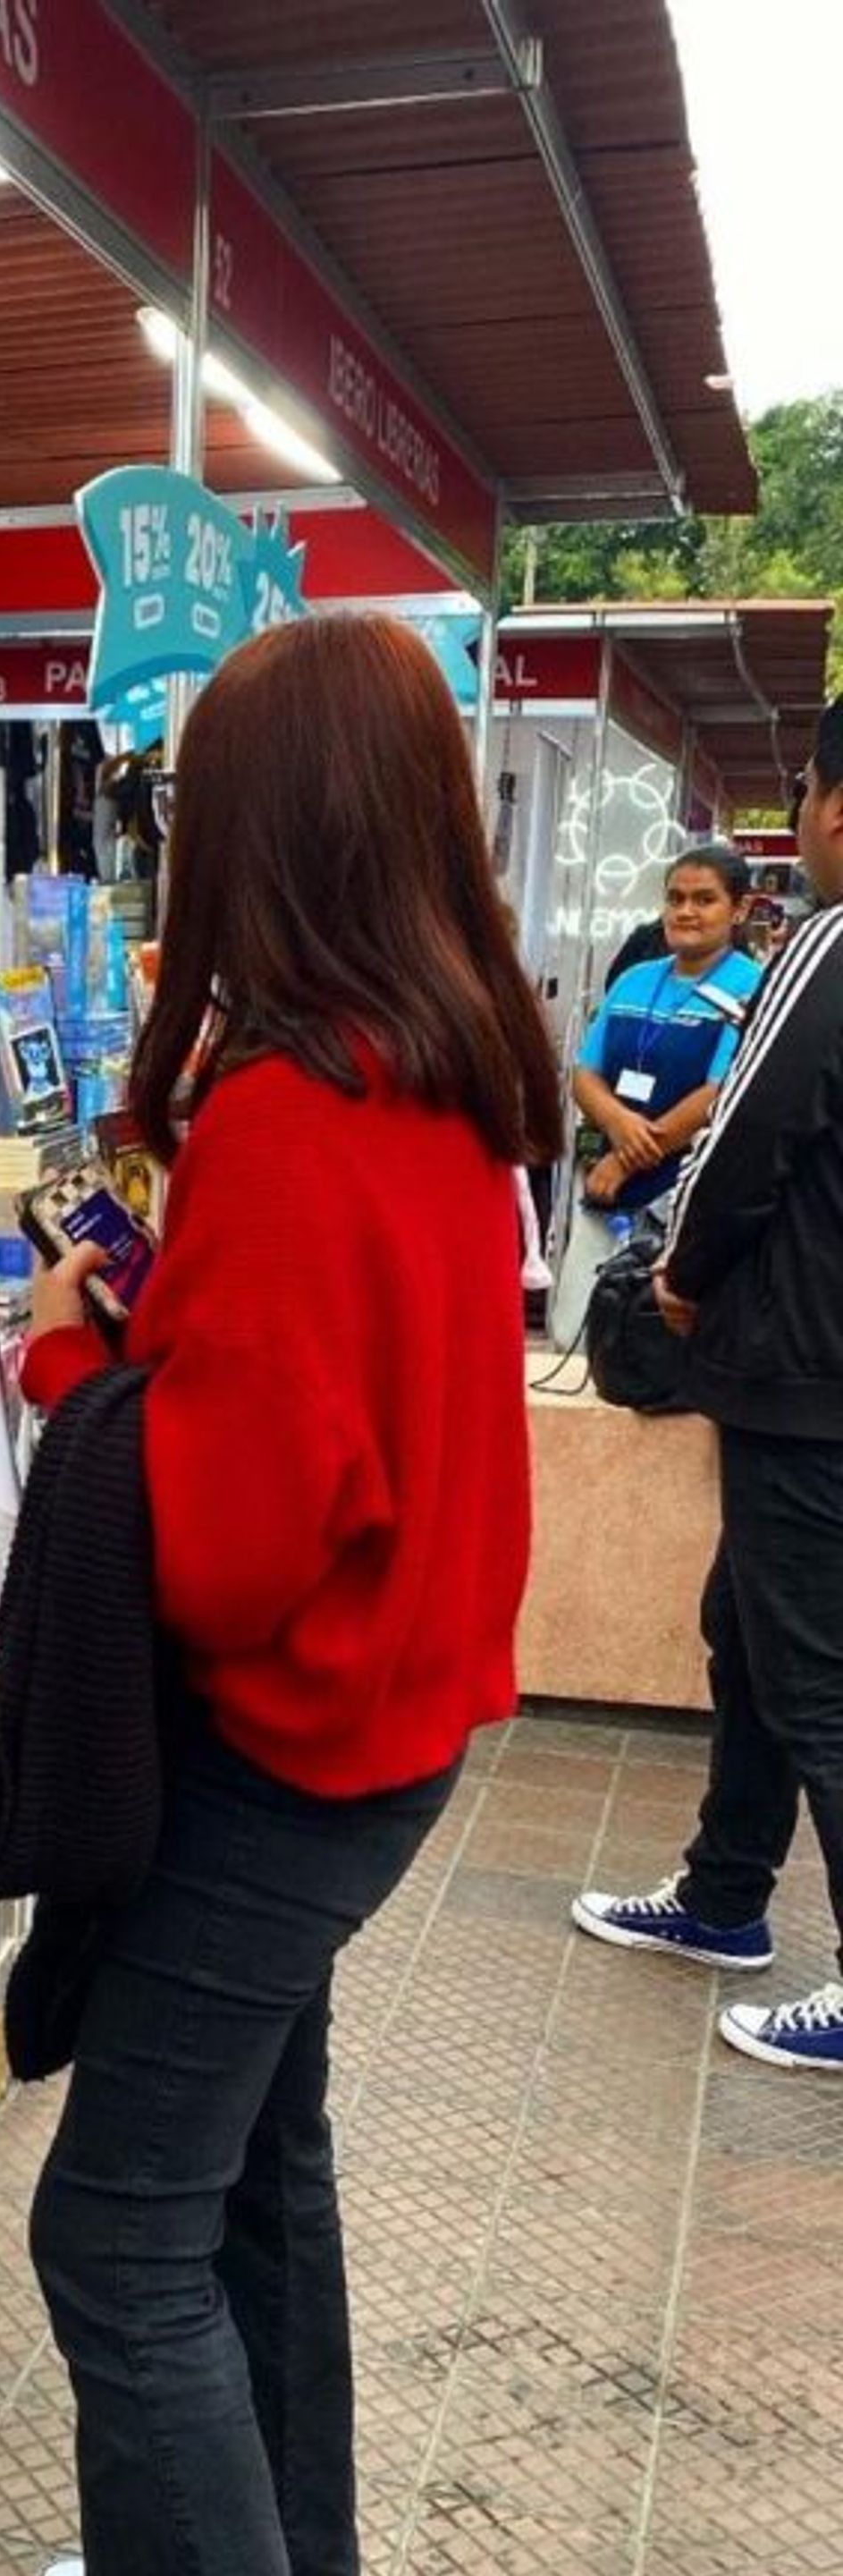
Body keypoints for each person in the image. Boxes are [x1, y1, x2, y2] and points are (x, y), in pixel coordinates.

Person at [0, 615, 562, 2576]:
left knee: (113, 2240)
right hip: (400, 1727)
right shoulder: (442, 1076)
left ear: (266, 836)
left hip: (286, 1746)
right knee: (255, 2168)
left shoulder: (291, 1115)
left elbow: (224, 1531)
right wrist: (170, 1326)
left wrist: (68, 1360)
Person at [573, 702, 843, 2070]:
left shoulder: (829, 946)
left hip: (806, 1379)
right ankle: (724, 1898)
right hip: (811, 1380)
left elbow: (744, 1135)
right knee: (750, 1638)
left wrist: (680, 1273)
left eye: (800, 792)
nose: (795, 817)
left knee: (817, 1679)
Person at [549, 845, 759, 1346]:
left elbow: (719, 1092)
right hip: (604, 1187)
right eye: (675, 898)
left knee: (652, 1348)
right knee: (571, 1333)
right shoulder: (634, 980)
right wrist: (620, 1127)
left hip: (683, 1198)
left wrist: (626, 1161)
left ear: (740, 909)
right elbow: (584, 1073)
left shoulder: (753, 986)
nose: (686, 912)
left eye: (704, 899)